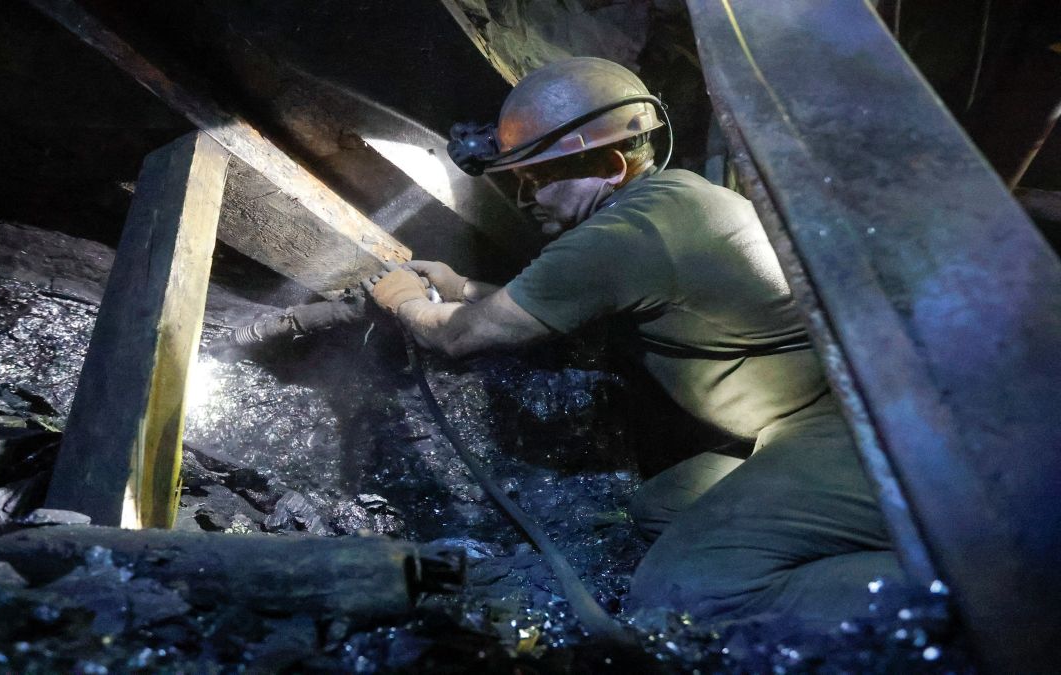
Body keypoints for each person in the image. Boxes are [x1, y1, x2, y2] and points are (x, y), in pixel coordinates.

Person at [363, 57, 905, 628]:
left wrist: (406, 302)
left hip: (863, 437)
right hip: (808, 422)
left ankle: (968, 596)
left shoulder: (625, 236)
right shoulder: (675, 200)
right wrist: (465, 285)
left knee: (682, 594)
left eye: (539, 178)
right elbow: (557, 303)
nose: (525, 197)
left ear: (613, 166)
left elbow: (464, 337)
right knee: (658, 509)